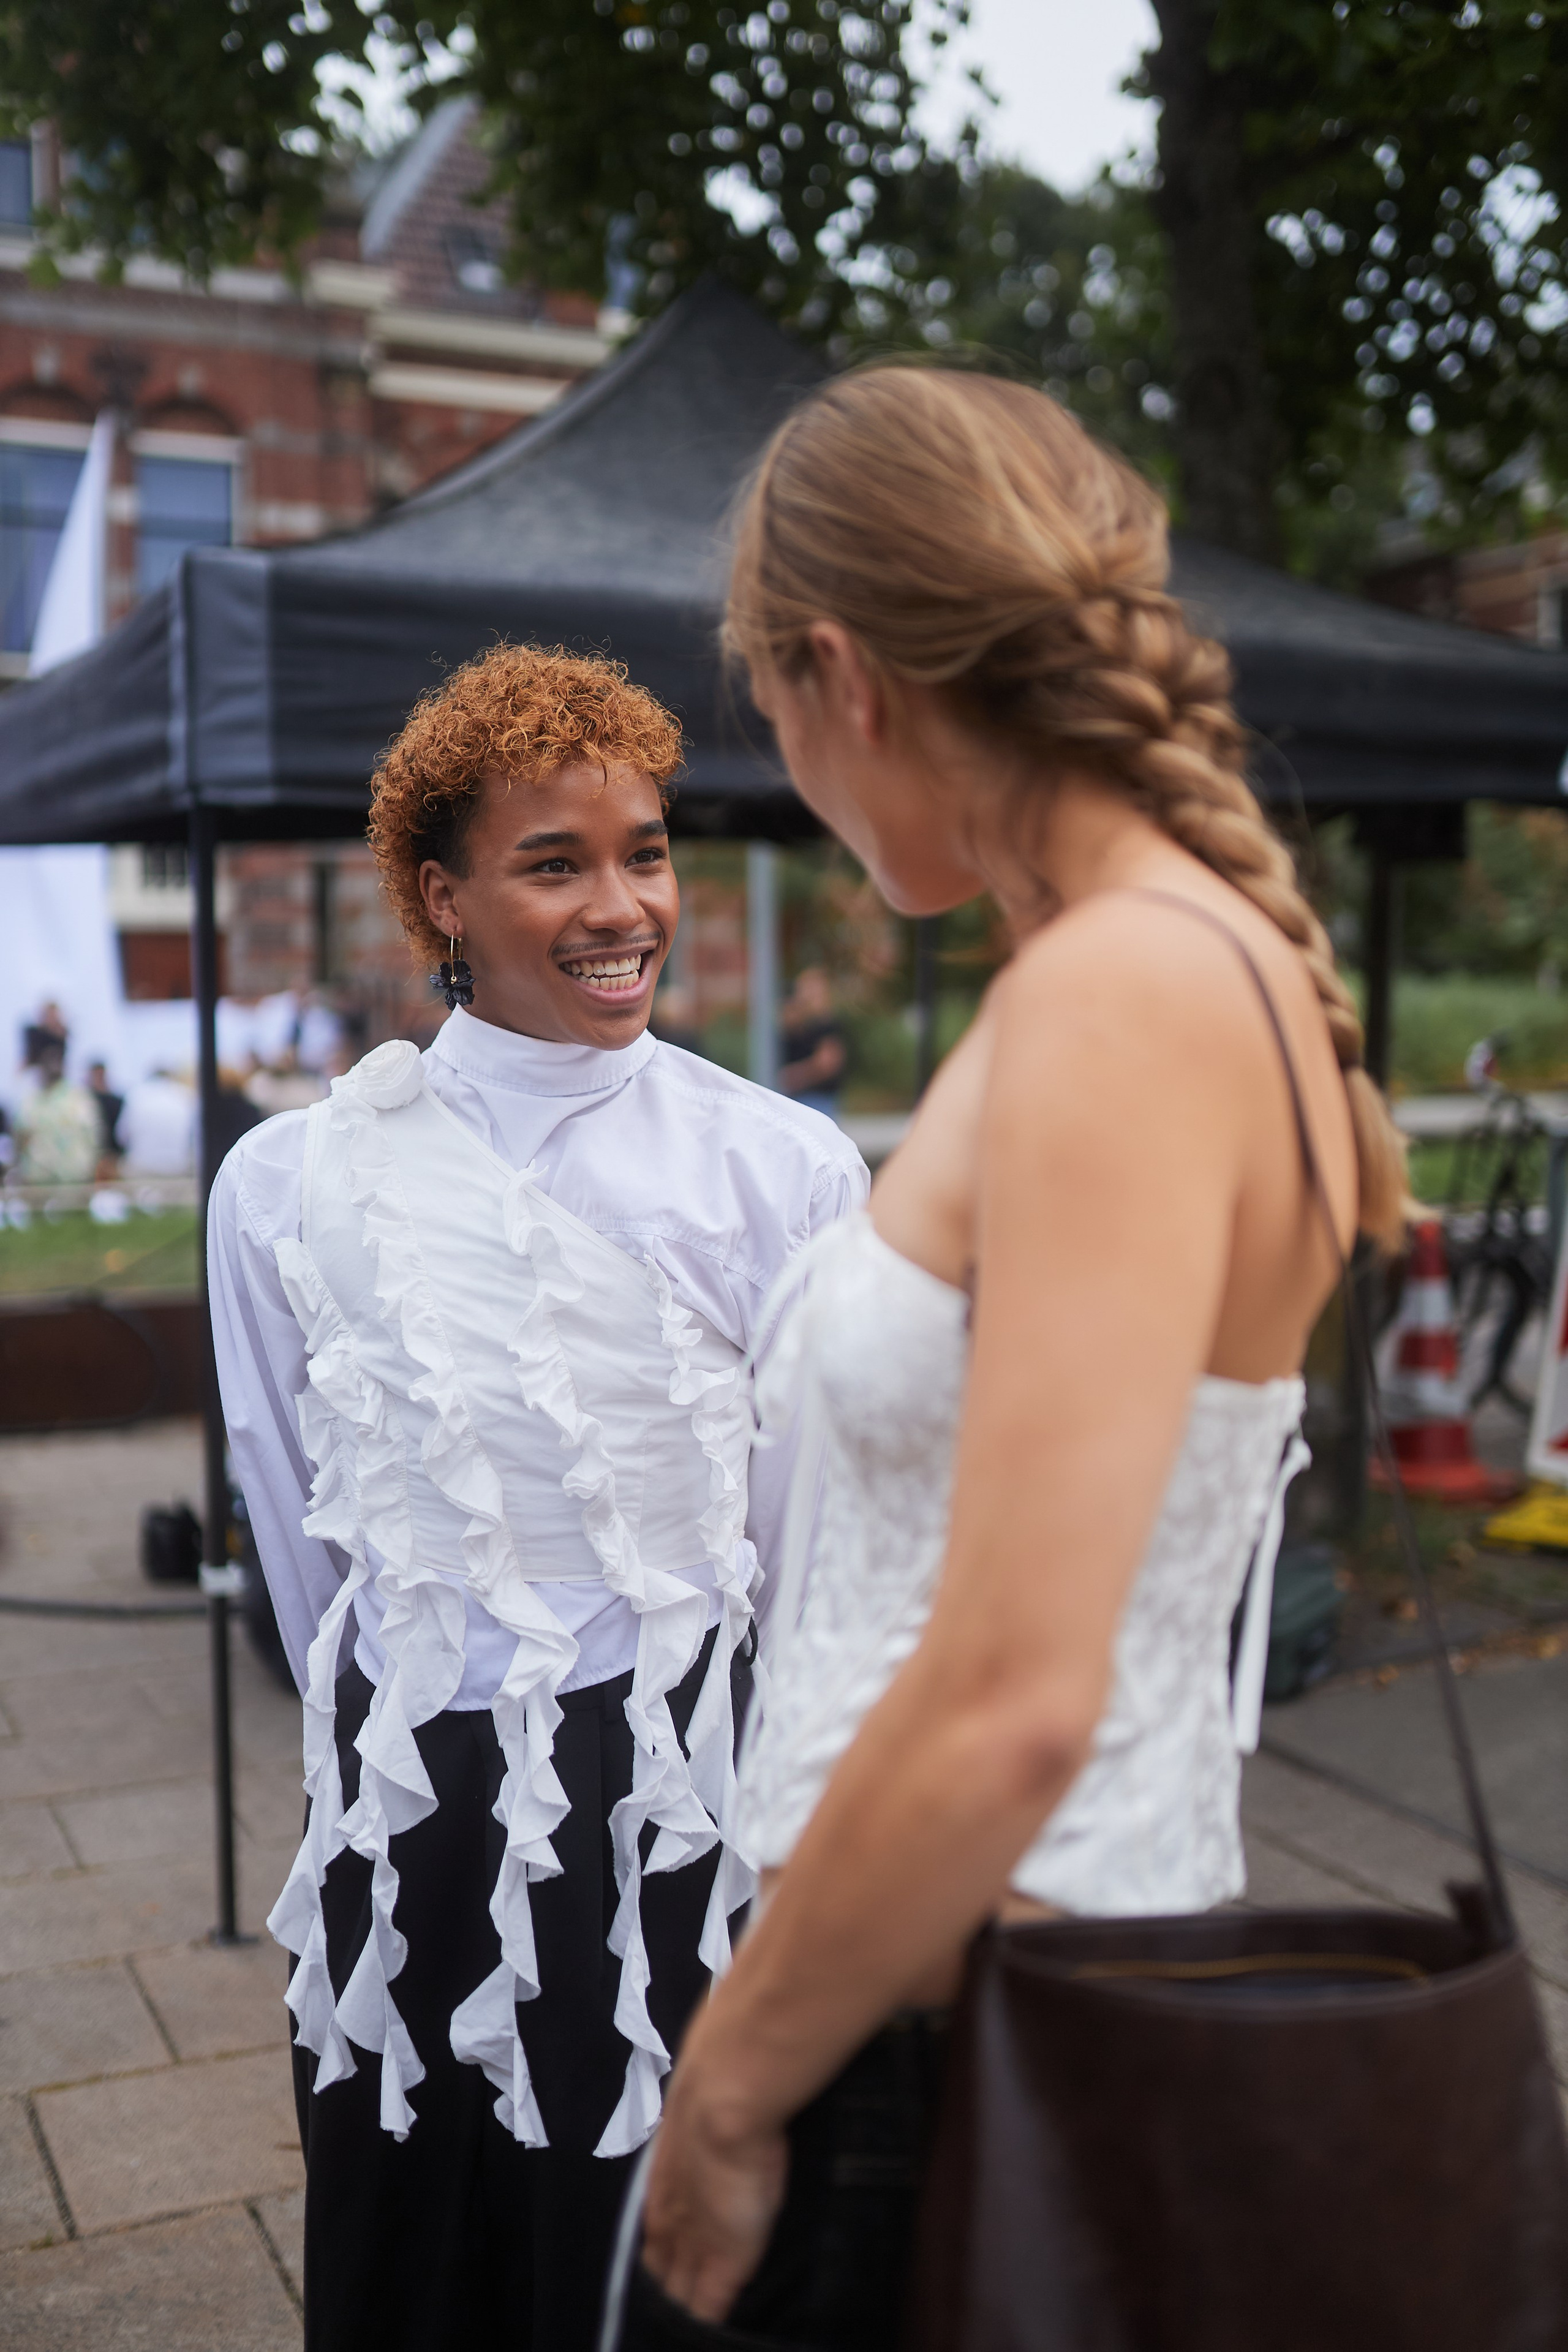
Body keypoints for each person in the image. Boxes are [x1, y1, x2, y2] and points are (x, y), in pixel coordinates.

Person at [630, 369, 1408, 2342]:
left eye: (770, 713)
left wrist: (726, 2083)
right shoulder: (1194, 962)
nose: (788, 773)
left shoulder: (1125, 990)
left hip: (941, 2051)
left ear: (841, 673)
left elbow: (1009, 1694)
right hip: (1011, 2008)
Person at [208, 644, 867, 2352]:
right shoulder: (286, 1181)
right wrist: (409, 1725)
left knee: (649, 2243)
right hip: (412, 1792)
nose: (618, 905)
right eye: (551, 862)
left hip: (678, 1795)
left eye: (641, 852)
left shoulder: (778, 1168)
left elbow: (805, 1547)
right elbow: (295, 1516)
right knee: (417, 2234)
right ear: (441, 893)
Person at [15, 1038, 100, 1184]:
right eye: (48, 1061)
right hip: (40, 1180)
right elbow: (21, 1139)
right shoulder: (31, 1101)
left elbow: (93, 1138)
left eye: (57, 1060)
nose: (52, 1066)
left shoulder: (79, 1098)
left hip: (76, 1179)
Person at [776, 967, 846, 1120]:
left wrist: (791, 1076)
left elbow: (826, 1064)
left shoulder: (827, 1027)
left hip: (817, 1101)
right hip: (795, 1100)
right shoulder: (797, 1026)